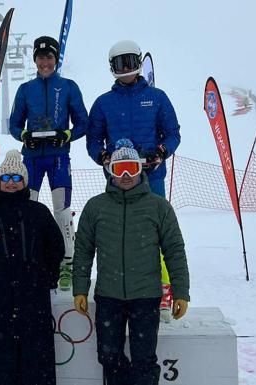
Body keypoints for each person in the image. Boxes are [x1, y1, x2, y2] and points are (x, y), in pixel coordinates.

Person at [72, 140, 190, 385]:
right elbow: (83, 250)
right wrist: (80, 289)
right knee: (109, 356)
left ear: (140, 169)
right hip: (109, 297)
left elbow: (174, 251)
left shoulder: (158, 207)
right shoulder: (96, 207)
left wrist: (181, 292)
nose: (125, 175)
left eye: (131, 168)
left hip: (145, 298)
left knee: (144, 359)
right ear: (110, 171)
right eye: (119, 169)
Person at [86, 40, 181, 321]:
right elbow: (93, 139)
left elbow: (173, 132)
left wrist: (162, 153)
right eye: (119, 64)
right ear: (111, 67)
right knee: (120, 235)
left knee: (158, 234)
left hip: (151, 178)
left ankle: (164, 288)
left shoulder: (157, 97)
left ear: (139, 62)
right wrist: (103, 156)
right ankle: (121, 291)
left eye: (129, 62)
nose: (125, 69)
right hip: (119, 180)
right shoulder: (104, 102)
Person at [0, 150, 64, 385]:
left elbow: (56, 247)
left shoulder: (39, 213)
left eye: (16, 178)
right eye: (6, 178)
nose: (11, 183)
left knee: (36, 364)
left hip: (34, 301)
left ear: (25, 183)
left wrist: (50, 278)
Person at [9, 35, 88, 292]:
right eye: (41, 58)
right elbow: (13, 124)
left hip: (57, 157)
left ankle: (67, 261)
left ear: (56, 60)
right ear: (35, 60)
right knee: (28, 208)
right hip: (31, 158)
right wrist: (24, 136)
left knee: (61, 209)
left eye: (49, 57)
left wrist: (66, 135)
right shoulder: (25, 89)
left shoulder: (67, 86)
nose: (45, 62)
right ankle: (31, 257)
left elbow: (83, 123)